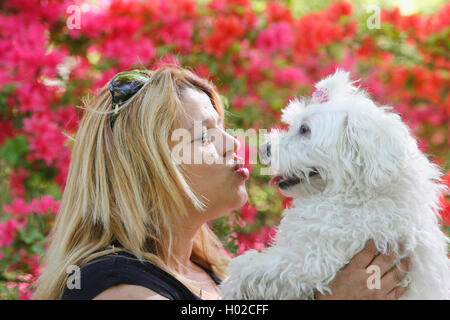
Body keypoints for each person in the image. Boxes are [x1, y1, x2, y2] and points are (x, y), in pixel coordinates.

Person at [32, 66, 409, 300]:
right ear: (148, 168)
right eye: (203, 136)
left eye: (223, 128)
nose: (235, 144)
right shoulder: (120, 289)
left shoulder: (209, 274)